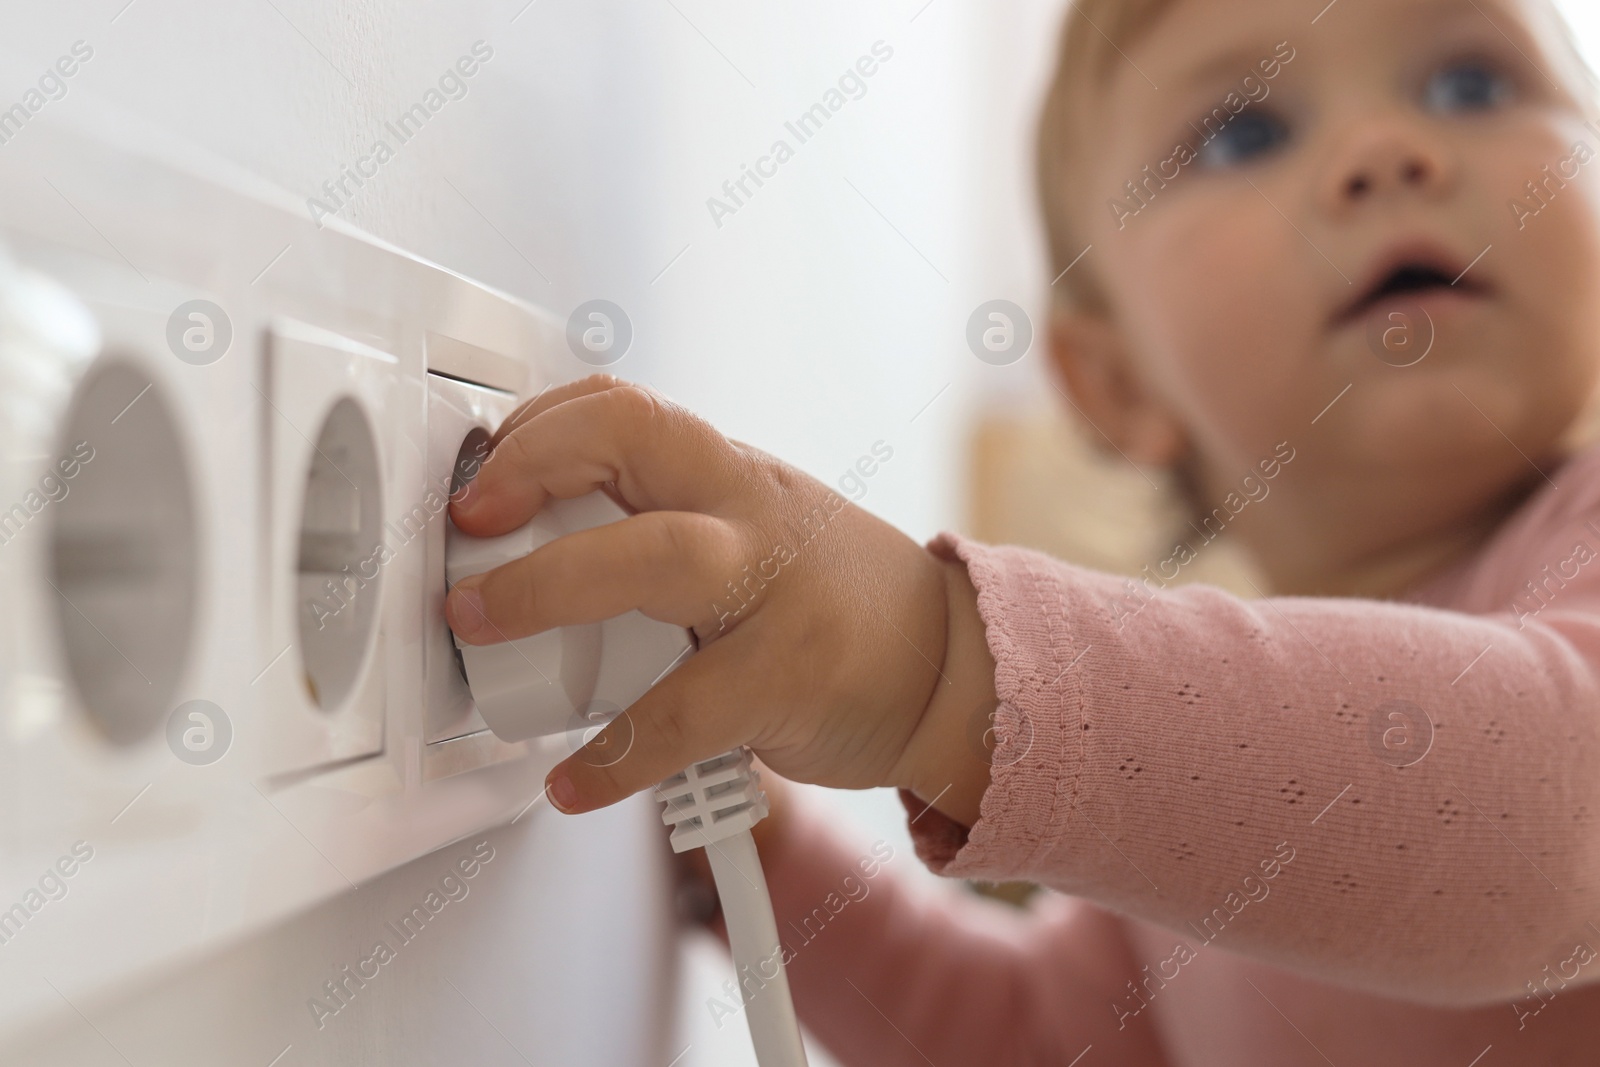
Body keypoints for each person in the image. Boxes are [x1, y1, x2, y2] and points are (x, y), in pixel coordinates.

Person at [445, 0, 1600, 1061]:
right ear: (1114, 382)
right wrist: (774, 868)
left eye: (1470, 84)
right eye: (1245, 133)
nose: (1387, 153)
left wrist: (939, 667)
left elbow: (1557, 816)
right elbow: (1046, 1035)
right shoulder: (1196, 796)